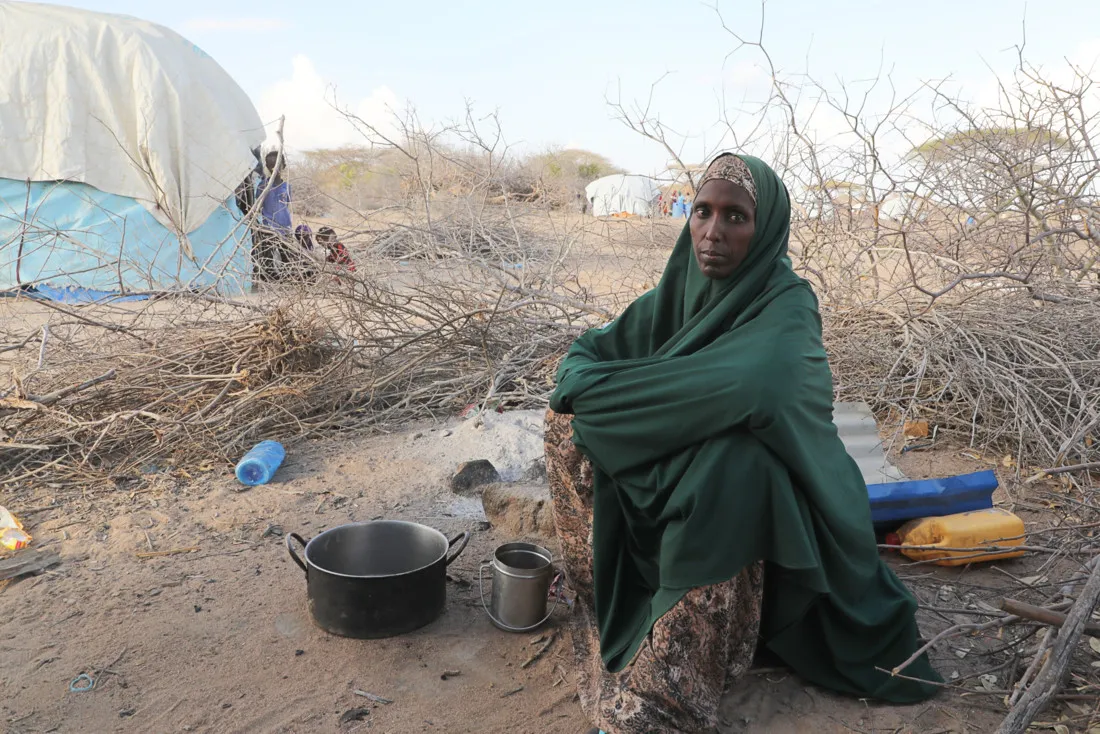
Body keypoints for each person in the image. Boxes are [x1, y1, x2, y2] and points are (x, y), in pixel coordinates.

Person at [546, 153, 940, 734]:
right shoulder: (679, 289)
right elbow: (584, 358)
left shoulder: (788, 303)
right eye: (703, 211)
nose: (712, 232)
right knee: (568, 424)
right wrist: (619, 395)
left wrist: (629, 397)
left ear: (766, 227)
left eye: (736, 216)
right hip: (692, 463)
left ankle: (670, 689)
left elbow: (761, 387)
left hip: (795, 497)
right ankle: (603, 598)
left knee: (734, 465)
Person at [252, 150, 293, 285]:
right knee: (268, 256)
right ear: (267, 167)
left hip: (284, 227)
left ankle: (287, 279)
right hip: (268, 227)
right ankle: (270, 280)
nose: (274, 168)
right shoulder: (263, 186)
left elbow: (288, 205)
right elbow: (258, 206)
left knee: (286, 255)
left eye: (277, 165)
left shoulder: (286, 187)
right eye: (270, 165)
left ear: (283, 166)